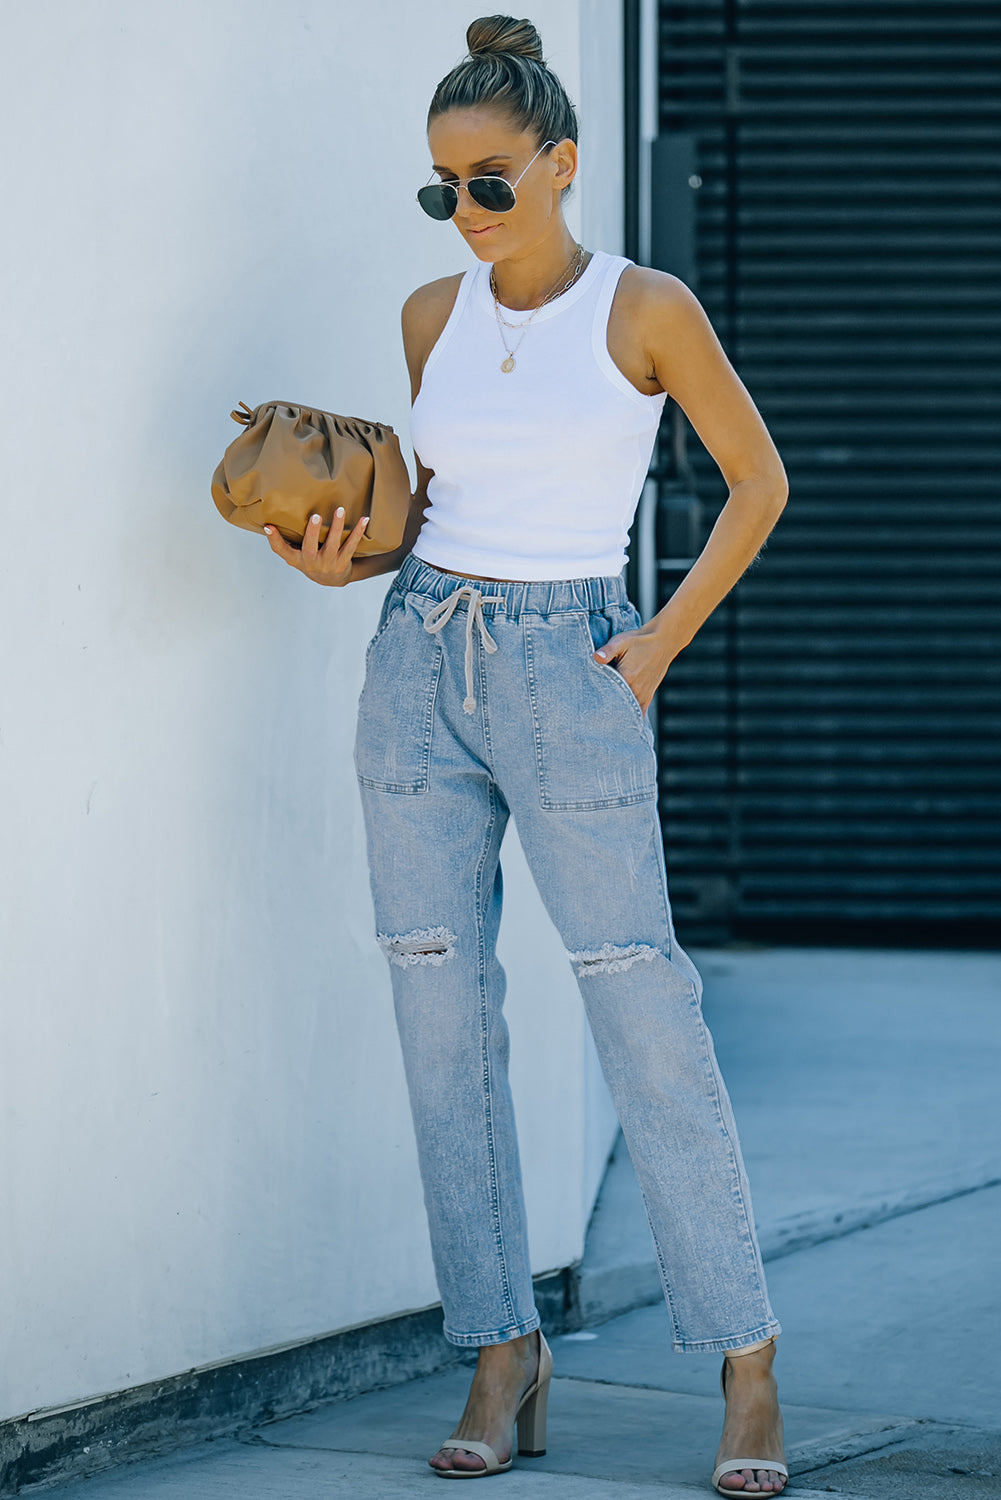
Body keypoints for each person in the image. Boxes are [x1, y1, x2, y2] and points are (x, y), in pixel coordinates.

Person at [262, 14, 789, 1492]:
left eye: (489, 181)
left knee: (642, 1006)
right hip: (418, 663)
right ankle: (502, 1351)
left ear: (560, 164)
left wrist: (662, 642)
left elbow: (758, 481)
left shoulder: (645, 308)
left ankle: (743, 1365)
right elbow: (430, 525)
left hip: (574, 667)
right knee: (438, 1014)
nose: (466, 212)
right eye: (442, 188)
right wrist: (345, 564)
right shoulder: (431, 316)